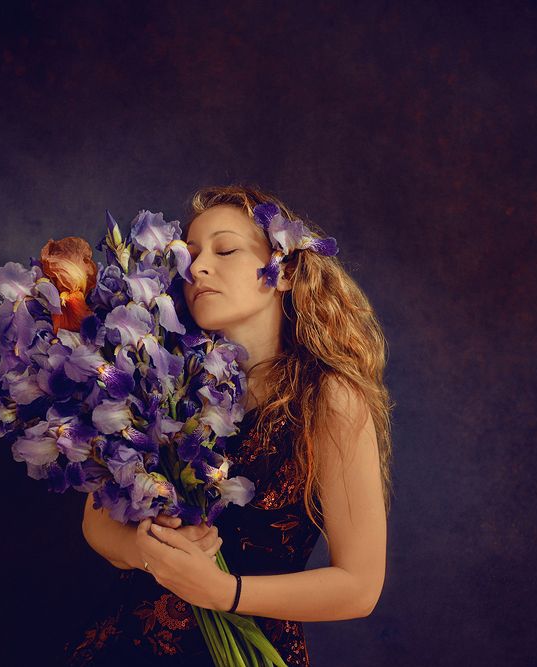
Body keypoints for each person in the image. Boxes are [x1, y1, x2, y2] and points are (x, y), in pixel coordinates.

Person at [65, 184, 393, 666]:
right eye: (190, 254)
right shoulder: (162, 377)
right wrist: (148, 551)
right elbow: (96, 520)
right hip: (124, 646)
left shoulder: (327, 398)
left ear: (283, 272)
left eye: (225, 250)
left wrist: (224, 592)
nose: (197, 267)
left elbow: (359, 586)